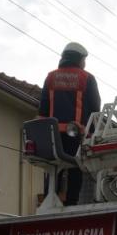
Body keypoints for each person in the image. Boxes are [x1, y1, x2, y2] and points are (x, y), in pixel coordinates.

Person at [39, 42, 101, 205]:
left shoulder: (51, 77)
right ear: (79, 59)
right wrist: (92, 134)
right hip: (76, 133)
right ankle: (72, 202)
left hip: (53, 134)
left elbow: (43, 107)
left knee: (54, 167)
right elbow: (95, 109)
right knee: (75, 167)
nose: (84, 63)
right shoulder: (87, 78)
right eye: (84, 59)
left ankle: (48, 199)